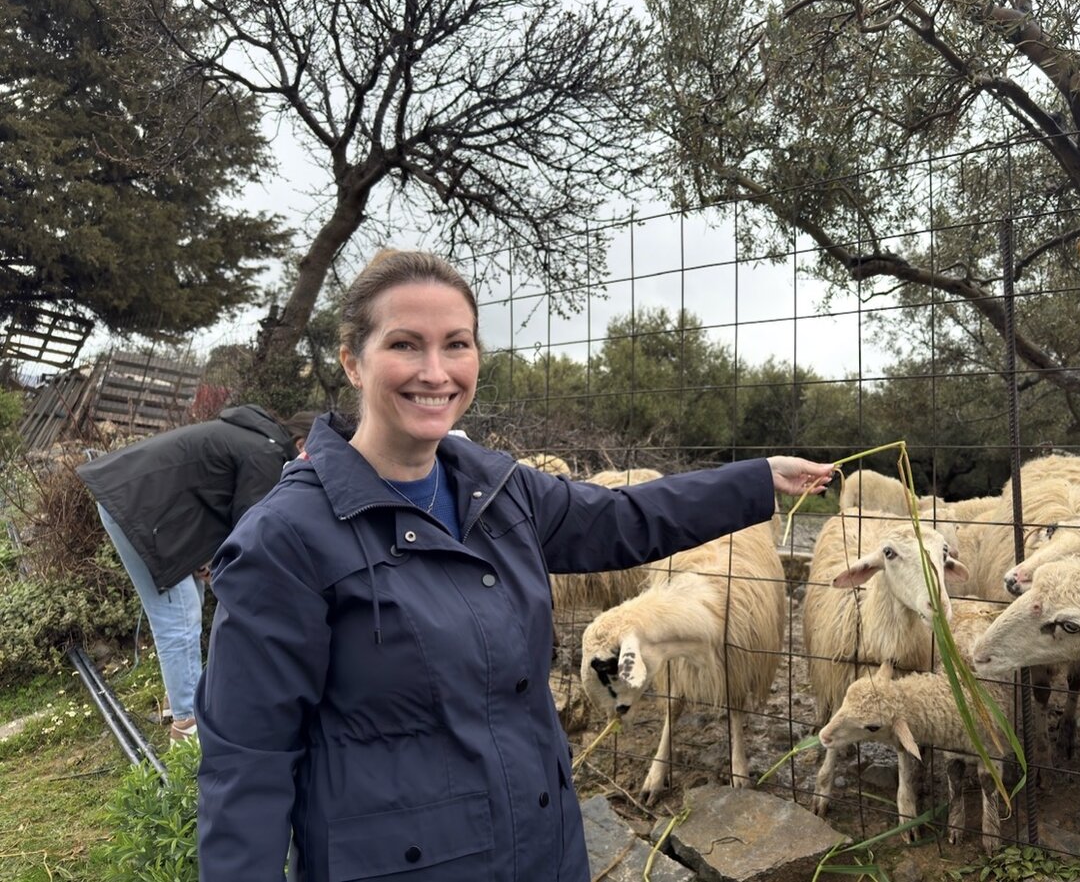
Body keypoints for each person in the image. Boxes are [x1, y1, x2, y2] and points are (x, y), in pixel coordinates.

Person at [195, 250, 834, 881]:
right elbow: (246, 768)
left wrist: (755, 479)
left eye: (456, 344)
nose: (435, 372)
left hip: (543, 850)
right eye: (405, 345)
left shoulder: (500, 489)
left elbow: (625, 517)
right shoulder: (285, 540)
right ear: (352, 363)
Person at [76, 404, 303, 742]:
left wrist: (211, 561)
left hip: (147, 505)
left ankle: (180, 699)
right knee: (178, 616)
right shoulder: (265, 454)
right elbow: (248, 527)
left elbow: (211, 497)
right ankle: (188, 728)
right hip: (141, 508)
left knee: (183, 610)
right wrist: (229, 568)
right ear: (302, 444)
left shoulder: (255, 439)